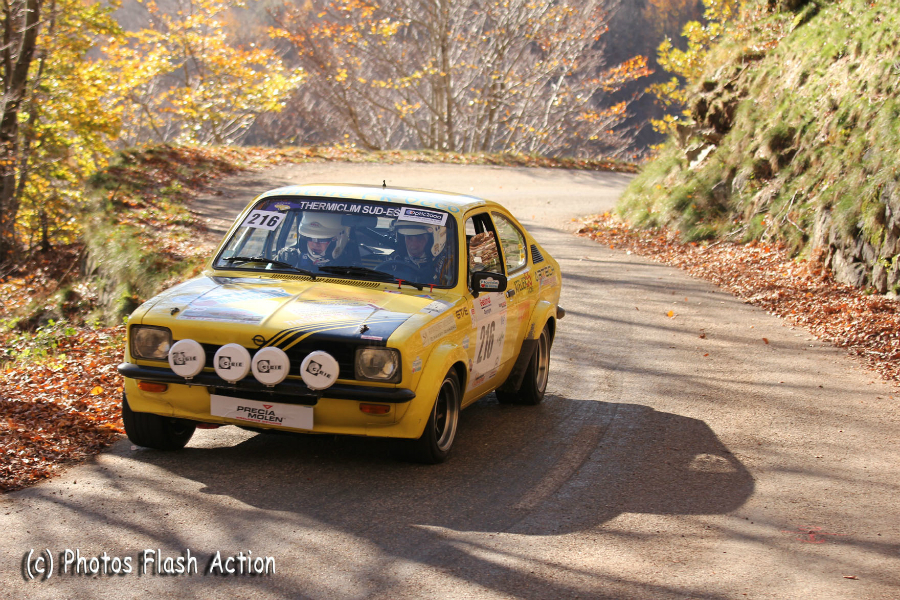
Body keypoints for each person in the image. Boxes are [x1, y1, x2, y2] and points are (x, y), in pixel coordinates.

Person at [275, 212, 349, 270]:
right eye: (309, 239)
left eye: (322, 240)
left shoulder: (353, 265)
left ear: (337, 240)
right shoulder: (289, 258)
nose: (315, 244)